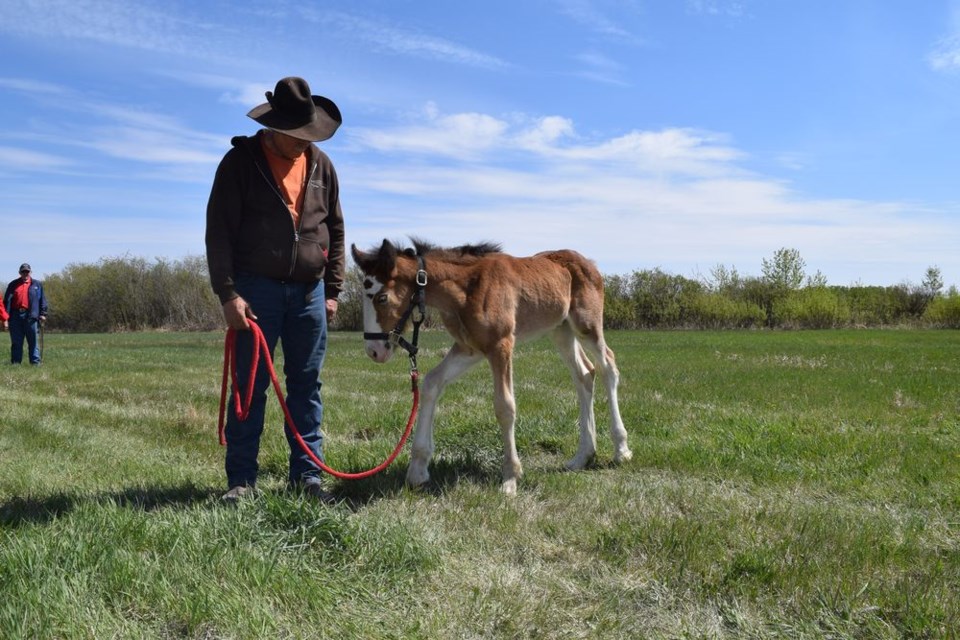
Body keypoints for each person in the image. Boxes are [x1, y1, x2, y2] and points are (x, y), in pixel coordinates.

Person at [206, 77, 346, 503]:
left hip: (309, 295)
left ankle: (307, 476)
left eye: (310, 135)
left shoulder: (321, 164)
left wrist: (334, 289)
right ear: (275, 128)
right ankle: (242, 481)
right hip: (254, 293)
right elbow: (219, 233)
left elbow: (335, 230)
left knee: (307, 386)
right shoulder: (240, 163)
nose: (304, 143)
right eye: (297, 136)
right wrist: (228, 294)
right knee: (249, 386)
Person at [4, 263, 48, 365]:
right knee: (16, 342)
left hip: (31, 316)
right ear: (20, 273)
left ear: (30, 272)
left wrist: (43, 313)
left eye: (27, 271)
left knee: (33, 342)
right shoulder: (13, 284)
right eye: (23, 272)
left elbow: (42, 300)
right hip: (15, 316)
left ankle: (35, 363)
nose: (25, 273)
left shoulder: (37, 284)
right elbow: (7, 302)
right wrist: (6, 318)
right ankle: (16, 363)